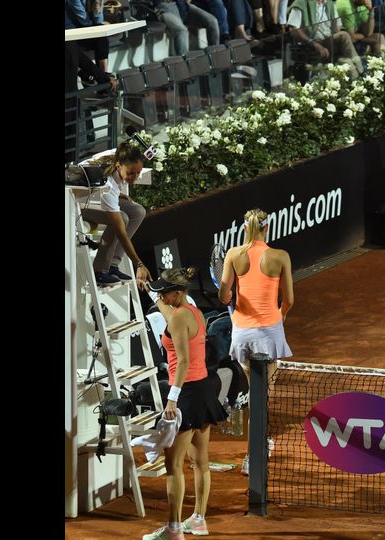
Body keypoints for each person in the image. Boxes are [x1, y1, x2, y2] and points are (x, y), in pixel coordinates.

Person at [142, 268, 228, 540]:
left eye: (164, 291)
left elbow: (183, 361)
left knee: (173, 466)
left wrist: (172, 398)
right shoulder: (193, 312)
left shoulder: (180, 317)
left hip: (186, 393)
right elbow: (170, 317)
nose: (162, 295)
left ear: (176, 293)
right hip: (203, 389)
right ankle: (199, 520)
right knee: (200, 462)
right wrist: (153, 294)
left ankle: (174, 528)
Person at [218, 208, 293, 475]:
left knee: (255, 392)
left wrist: (230, 299)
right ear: (267, 227)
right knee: (265, 395)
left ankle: (256, 448)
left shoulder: (233, 255)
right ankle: (257, 450)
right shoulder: (280, 256)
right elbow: (290, 300)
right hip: (270, 332)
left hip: (242, 333)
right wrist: (279, 318)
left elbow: (224, 296)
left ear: (245, 228)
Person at [78, 142, 152, 286]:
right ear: (118, 166)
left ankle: (112, 265)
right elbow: (121, 233)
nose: (135, 177)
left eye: (138, 172)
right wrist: (139, 264)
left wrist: (119, 193)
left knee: (138, 211)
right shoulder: (109, 185)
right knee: (122, 219)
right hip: (76, 205)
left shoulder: (121, 155)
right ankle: (99, 271)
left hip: (95, 197)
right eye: (131, 173)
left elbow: (125, 146)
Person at [285, 0, 364, 78]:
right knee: (344, 35)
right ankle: (362, 72)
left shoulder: (330, 4)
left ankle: (360, 79)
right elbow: (293, 30)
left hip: (329, 43)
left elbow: (337, 29)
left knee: (347, 62)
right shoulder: (300, 3)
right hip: (312, 45)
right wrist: (314, 44)